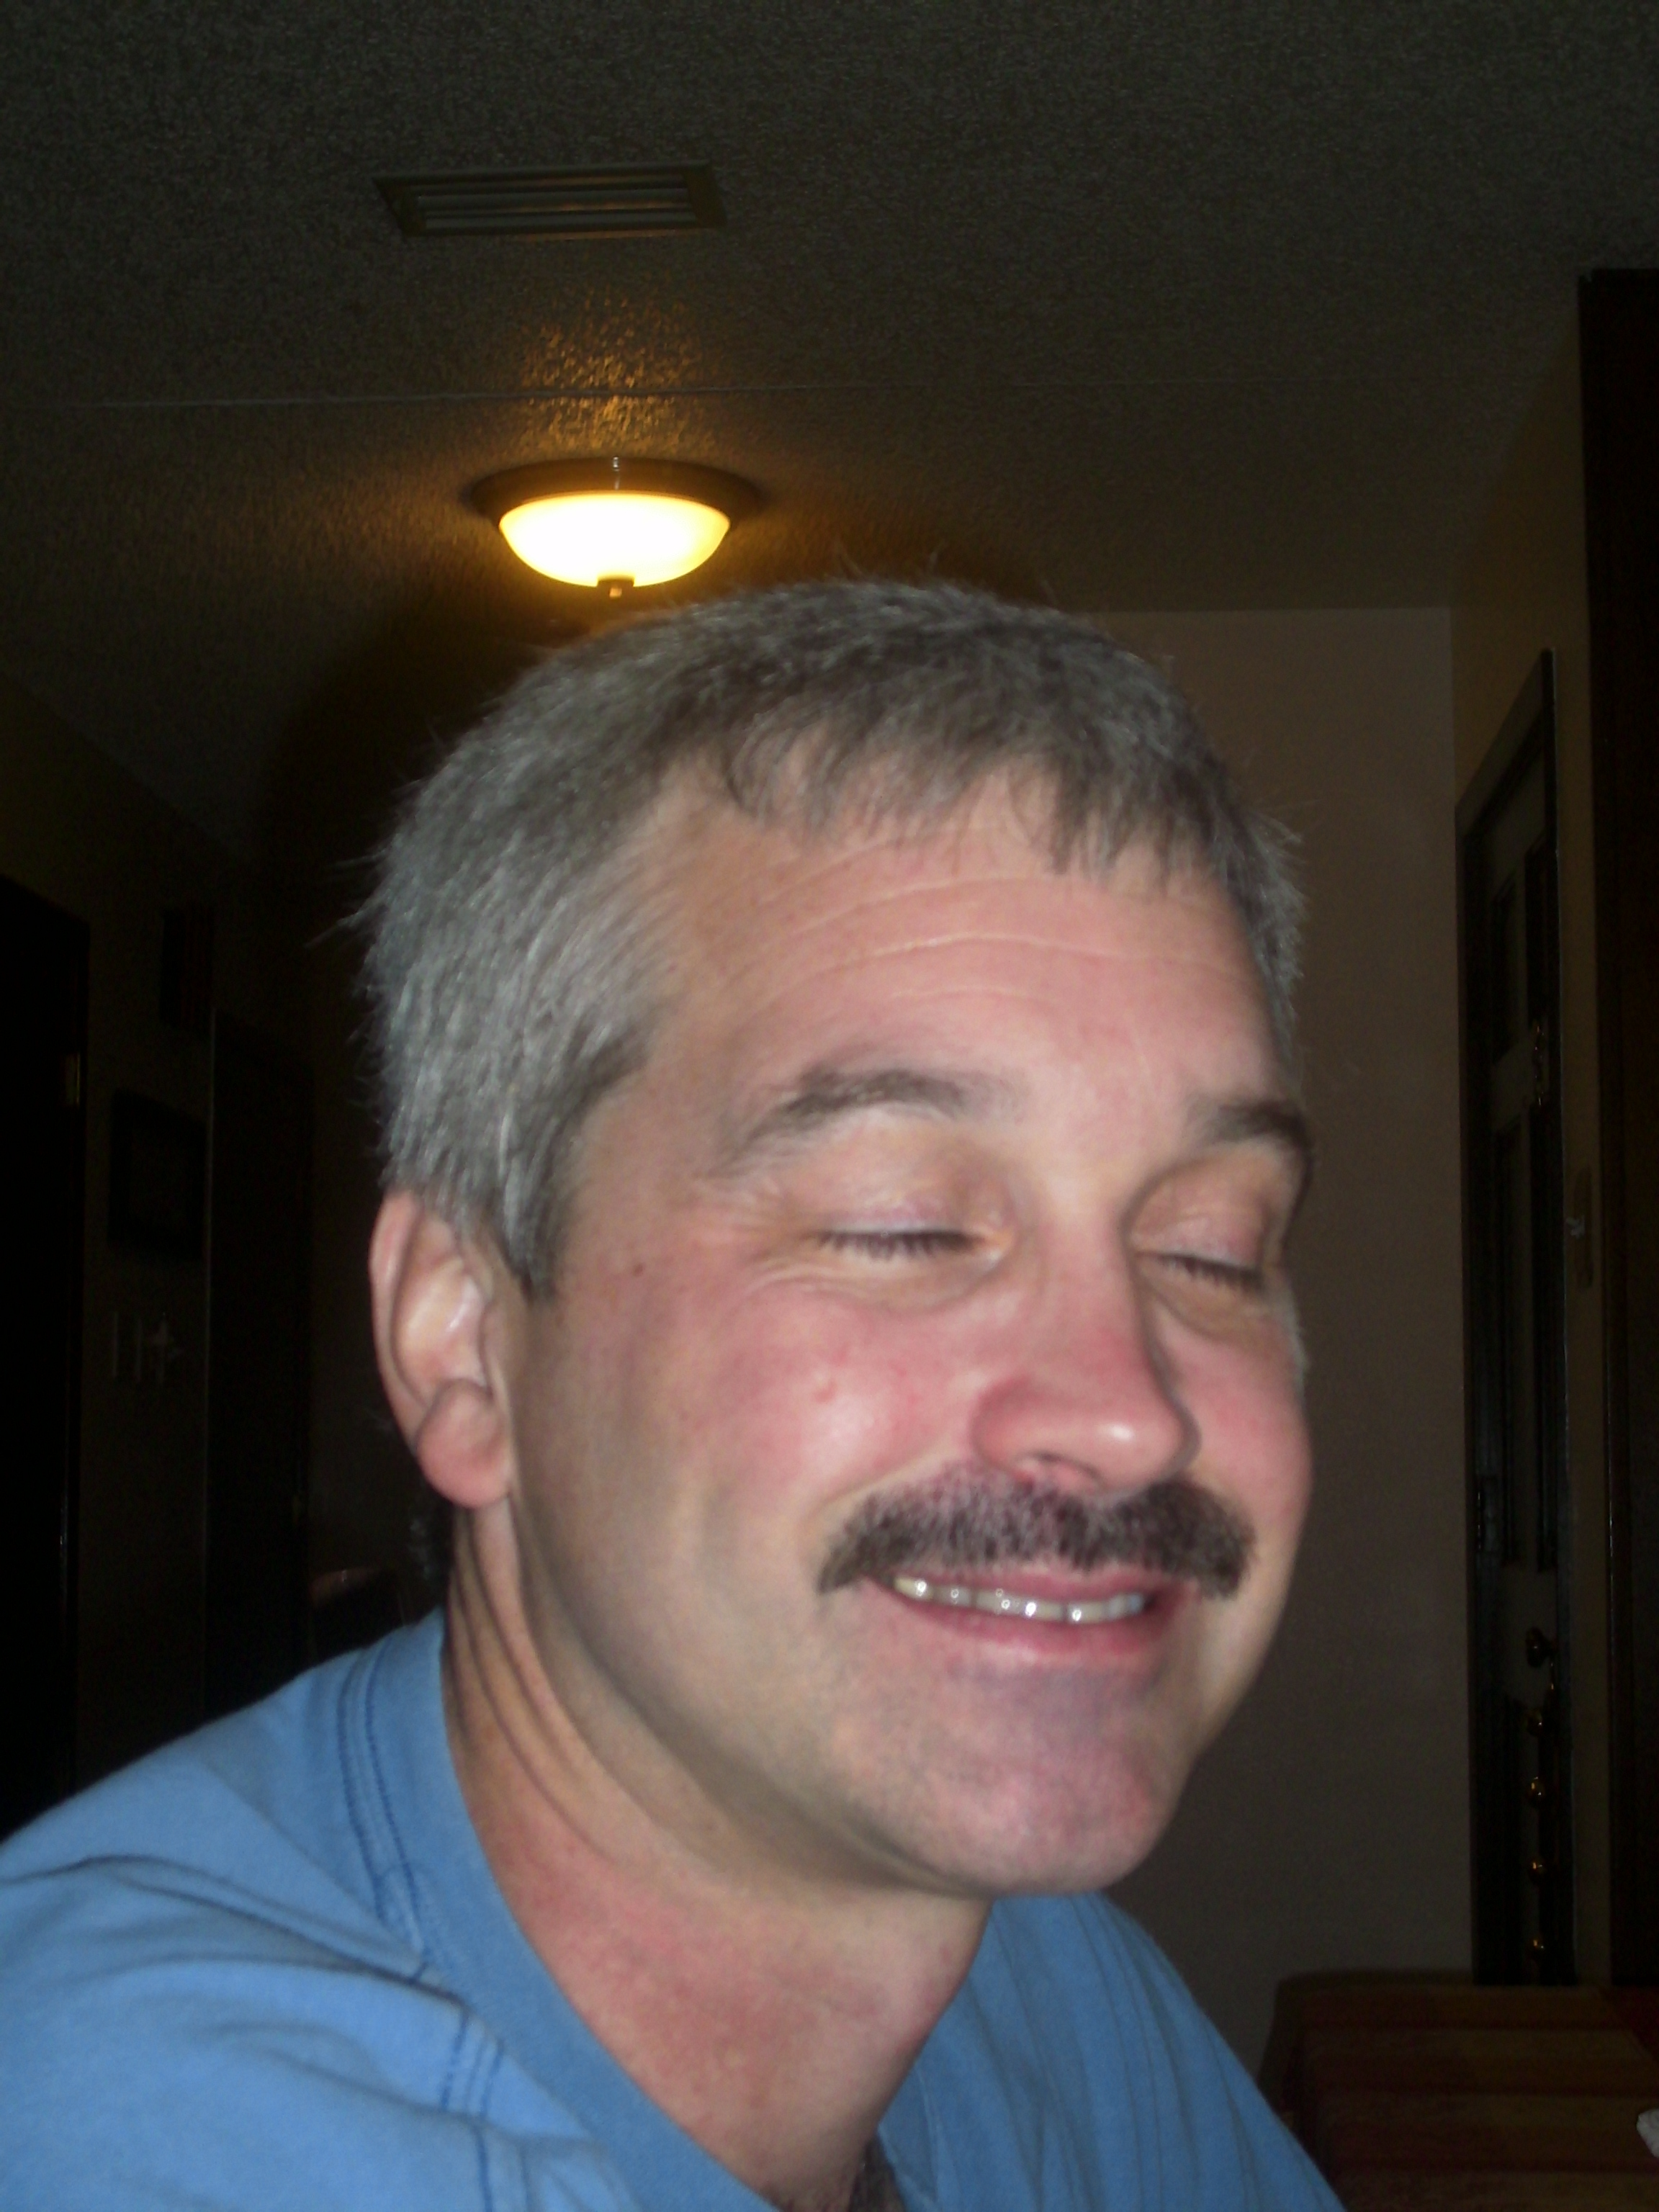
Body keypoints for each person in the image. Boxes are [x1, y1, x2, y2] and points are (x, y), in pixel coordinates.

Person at [0, 582, 1339, 2211]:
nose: (1134, 1418)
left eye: (1211, 1248)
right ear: (462, 1340)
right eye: (903, 1226)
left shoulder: (1059, 1997)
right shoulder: (118, 2135)